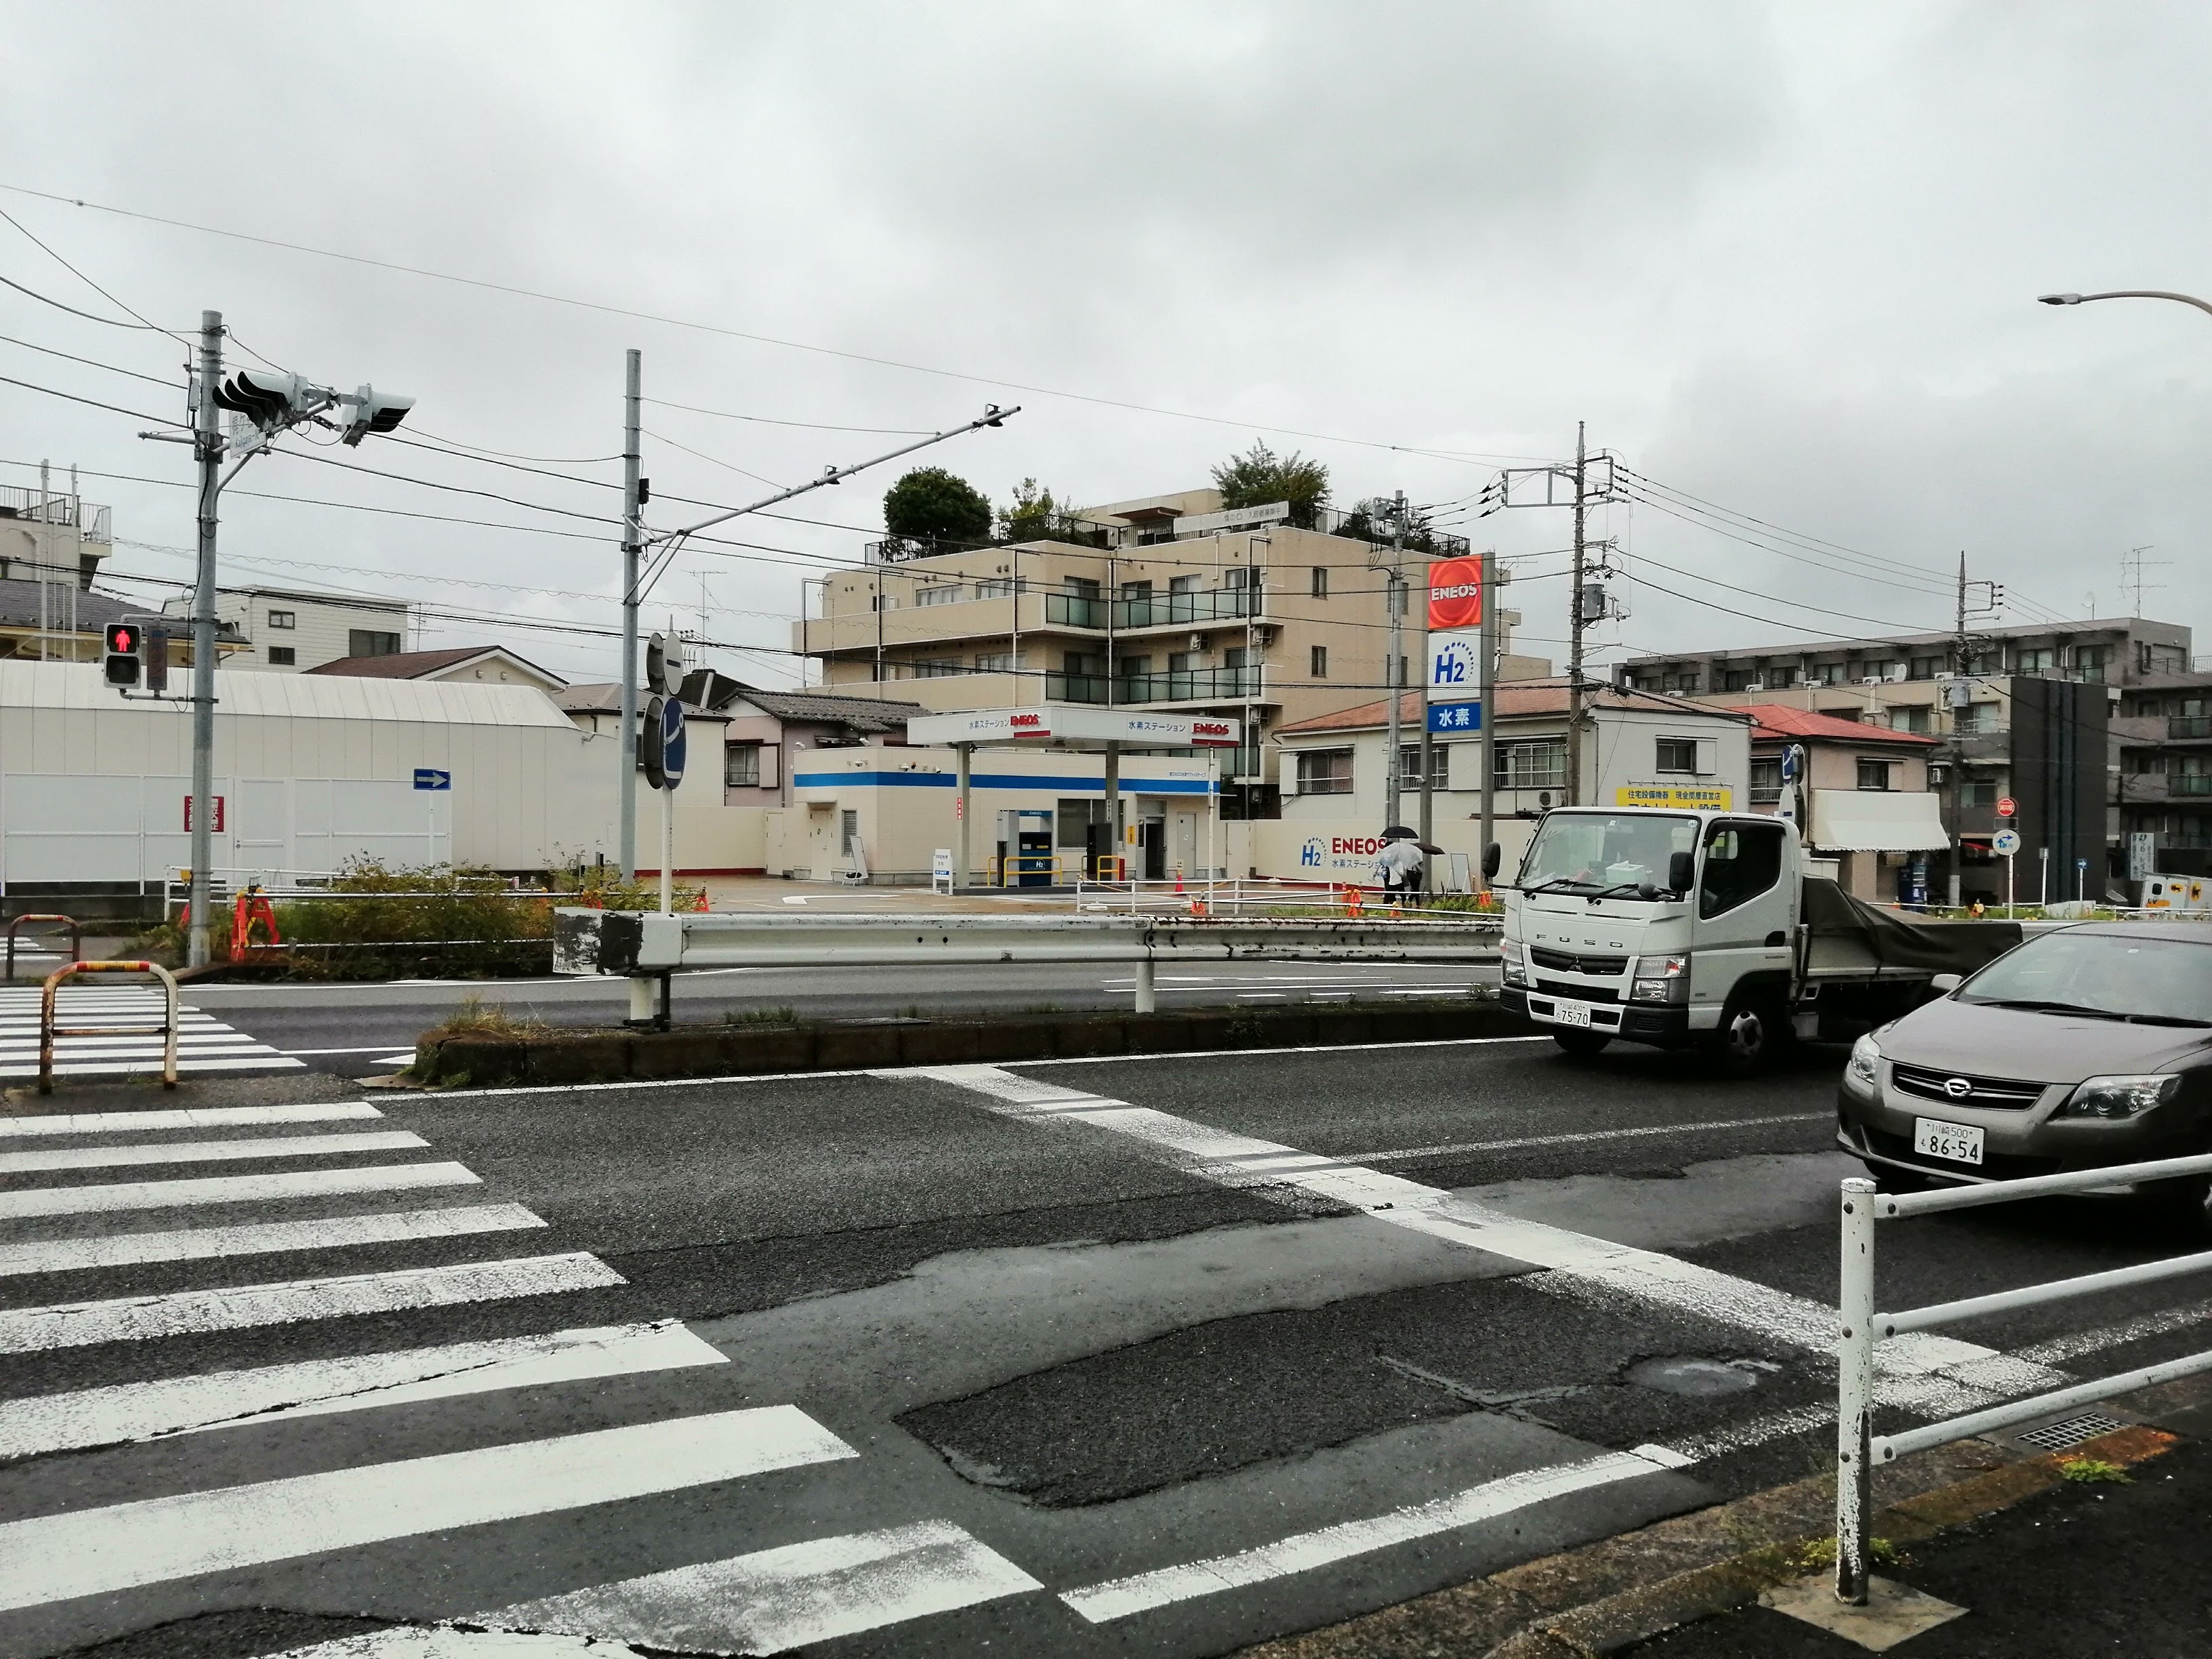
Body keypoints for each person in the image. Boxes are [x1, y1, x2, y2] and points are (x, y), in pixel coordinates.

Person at [1375, 836, 1425, 903]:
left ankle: (1390, 904)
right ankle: (1404, 904)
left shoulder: (1390, 862)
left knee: (1390, 893)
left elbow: (1381, 862)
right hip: (1398, 881)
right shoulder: (1399, 862)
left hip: (1391, 881)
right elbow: (1401, 872)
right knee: (1403, 894)